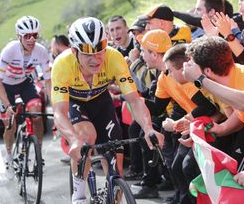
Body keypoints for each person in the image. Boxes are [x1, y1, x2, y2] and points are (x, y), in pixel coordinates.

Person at [50, 17, 164, 204]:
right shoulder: (62, 65)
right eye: (87, 54)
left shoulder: (114, 58)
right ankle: (78, 195)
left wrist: (148, 128)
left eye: (99, 52)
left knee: (115, 165)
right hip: (75, 102)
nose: (95, 60)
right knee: (85, 138)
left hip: (101, 102)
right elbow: (59, 112)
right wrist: (73, 140)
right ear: (74, 51)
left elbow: (134, 100)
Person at [182, 35, 244, 188]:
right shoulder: (231, 78)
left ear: (207, 71)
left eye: (193, 64)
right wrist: (218, 130)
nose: (188, 67)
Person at [0, 16, 51, 176]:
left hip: (25, 83)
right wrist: (7, 106)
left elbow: (48, 82)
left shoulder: (41, 51)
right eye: (27, 36)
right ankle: (9, 156)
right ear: (19, 36)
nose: (31, 39)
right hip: (6, 86)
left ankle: (38, 153)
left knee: (37, 113)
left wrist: (56, 104)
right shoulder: (10, 50)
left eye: (34, 35)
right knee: (10, 124)